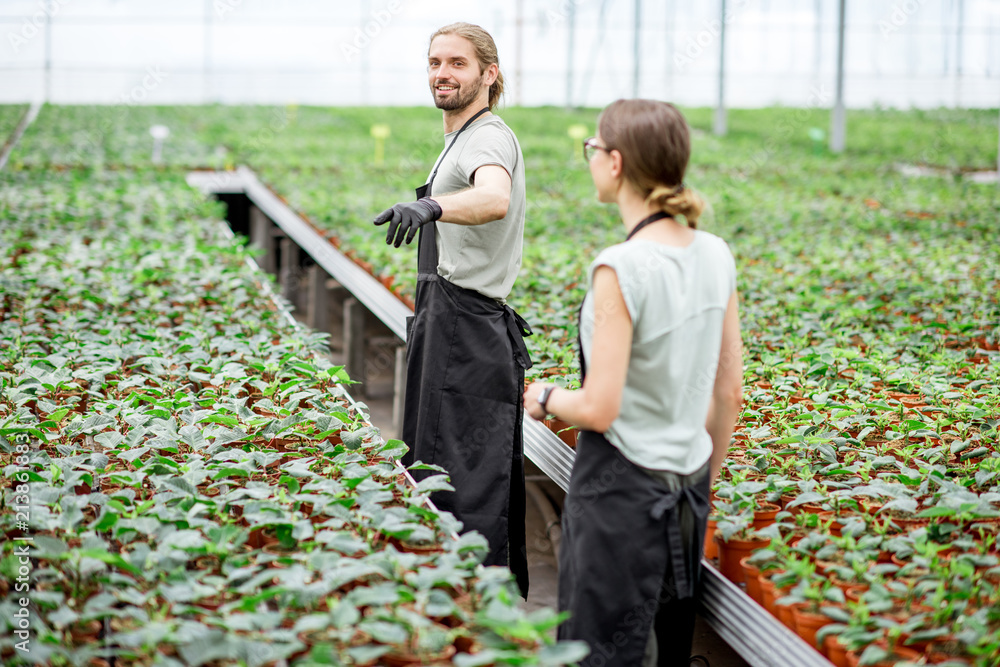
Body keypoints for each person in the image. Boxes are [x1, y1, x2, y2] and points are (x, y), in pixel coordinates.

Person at [523, 99, 744, 666]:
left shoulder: (619, 267)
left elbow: (599, 407)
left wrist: (546, 397)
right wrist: (700, 485)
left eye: (593, 148)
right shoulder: (716, 255)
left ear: (615, 163)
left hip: (620, 497)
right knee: (669, 647)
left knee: (603, 653)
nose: (590, 158)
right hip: (686, 492)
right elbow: (728, 393)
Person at [373, 22, 532, 597]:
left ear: (488, 74)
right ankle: (450, 599)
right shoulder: (460, 138)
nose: (442, 73)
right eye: (435, 62)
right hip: (450, 323)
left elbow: (494, 198)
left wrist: (433, 207)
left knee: (463, 478)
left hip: (467, 330)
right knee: (439, 465)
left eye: (457, 64)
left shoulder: (488, 137)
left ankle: (473, 609)